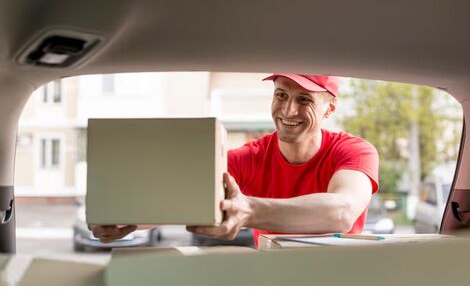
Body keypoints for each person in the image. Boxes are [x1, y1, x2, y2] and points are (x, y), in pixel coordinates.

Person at [90, 74, 379, 247]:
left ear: (330, 107)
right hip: (275, 280)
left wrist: (249, 210)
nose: (289, 110)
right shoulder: (249, 159)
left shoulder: (353, 152)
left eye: (304, 99)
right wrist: (123, 218)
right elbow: (183, 196)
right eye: (281, 94)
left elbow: (341, 213)